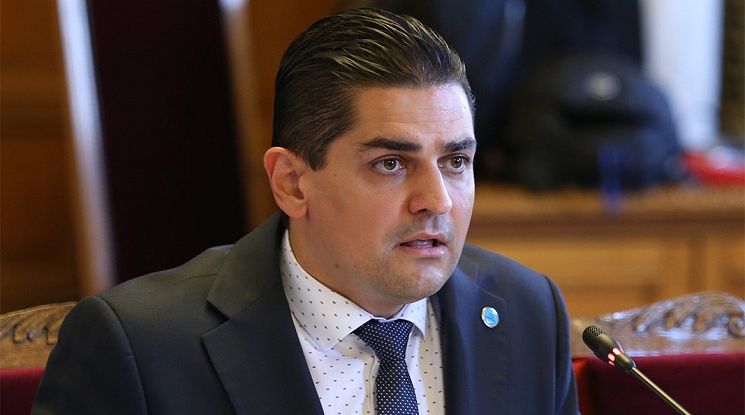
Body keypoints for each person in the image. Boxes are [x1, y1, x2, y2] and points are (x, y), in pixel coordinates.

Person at [32, 8, 578, 414]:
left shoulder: (527, 312)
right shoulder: (140, 347)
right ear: (291, 183)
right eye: (391, 164)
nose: (437, 200)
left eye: (456, 161)